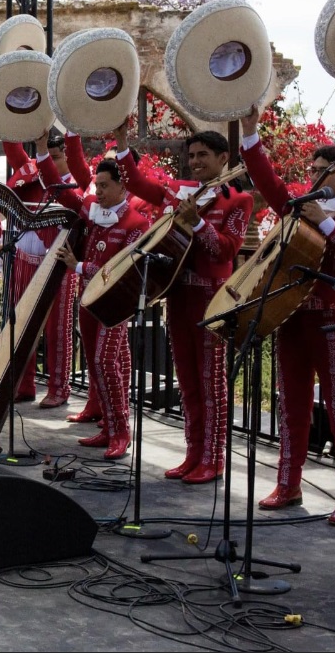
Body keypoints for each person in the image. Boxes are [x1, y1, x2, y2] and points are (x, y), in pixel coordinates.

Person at [240, 105, 335, 526]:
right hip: (291, 318)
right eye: (311, 167)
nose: (312, 175)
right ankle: (288, 483)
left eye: (321, 169)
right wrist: (249, 132)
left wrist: (328, 225)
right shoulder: (299, 207)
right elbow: (270, 184)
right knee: (290, 406)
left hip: (333, 324)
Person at [113, 123, 253, 484]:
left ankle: (214, 458)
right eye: (191, 156)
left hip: (213, 299)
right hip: (178, 295)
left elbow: (226, 249)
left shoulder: (238, 199)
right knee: (187, 381)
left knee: (212, 382)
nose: (195, 162)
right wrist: (124, 141)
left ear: (224, 158)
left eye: (203, 155)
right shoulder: (180, 191)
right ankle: (193, 453)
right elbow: (138, 185)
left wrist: (198, 224)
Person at [42, 150, 148, 459]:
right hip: (88, 299)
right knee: (95, 362)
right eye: (97, 185)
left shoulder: (137, 223)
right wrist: (41, 149)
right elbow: (59, 191)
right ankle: (107, 428)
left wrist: (78, 266)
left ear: (122, 187)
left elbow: (121, 270)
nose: (97, 191)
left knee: (105, 362)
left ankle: (121, 432)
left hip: (114, 304)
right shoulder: (92, 210)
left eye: (103, 185)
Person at [1, 130, 91, 408]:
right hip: (25, 259)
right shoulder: (31, 174)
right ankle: (24, 385)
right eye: (47, 156)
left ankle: (59, 388)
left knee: (57, 331)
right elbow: (12, 146)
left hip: (58, 264)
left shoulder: (78, 185)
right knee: (21, 325)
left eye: (56, 157)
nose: (50, 162)